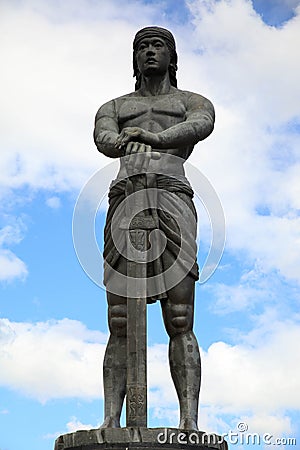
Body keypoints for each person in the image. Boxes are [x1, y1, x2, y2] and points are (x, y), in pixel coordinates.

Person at [93, 26, 215, 430]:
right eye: (142, 46)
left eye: (157, 45)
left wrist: (153, 137)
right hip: (126, 199)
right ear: (134, 57)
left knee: (180, 316)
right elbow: (105, 138)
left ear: (171, 56)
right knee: (120, 318)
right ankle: (111, 419)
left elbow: (201, 125)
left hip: (172, 195)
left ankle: (189, 421)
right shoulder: (114, 105)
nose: (149, 52)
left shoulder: (190, 101)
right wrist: (124, 139)